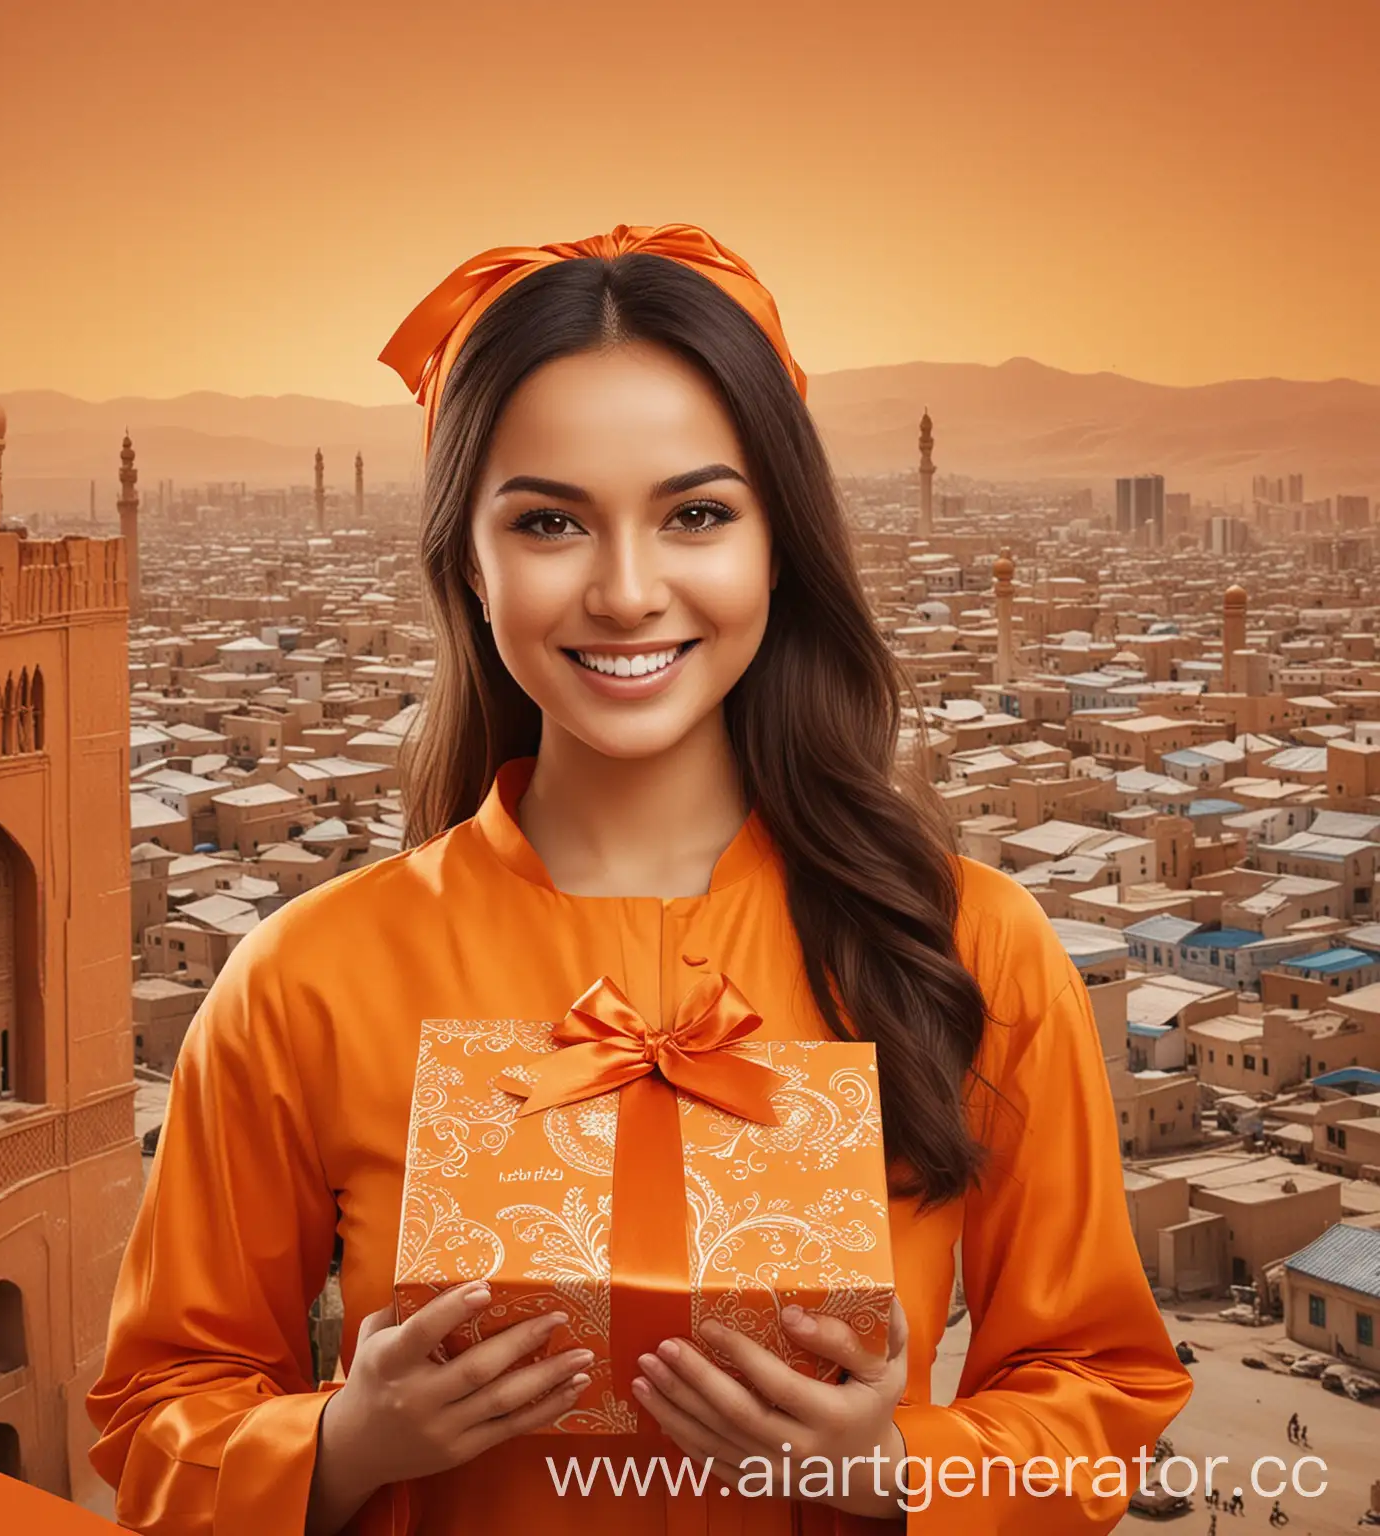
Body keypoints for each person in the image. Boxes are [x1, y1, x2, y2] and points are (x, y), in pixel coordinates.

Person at [86, 223, 1196, 1534]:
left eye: (697, 514)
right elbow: (159, 1413)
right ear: (467, 563)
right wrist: (346, 1443)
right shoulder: (313, 981)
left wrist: (892, 1469)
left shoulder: (964, 949)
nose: (624, 590)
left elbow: (1100, 1384)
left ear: (779, 547)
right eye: (551, 521)